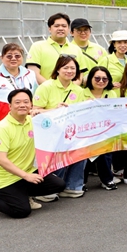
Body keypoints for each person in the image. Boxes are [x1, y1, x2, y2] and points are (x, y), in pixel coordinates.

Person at [0, 89, 66, 219]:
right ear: (9, 106)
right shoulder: (2, 128)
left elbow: (47, 116)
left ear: (31, 105)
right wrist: (26, 176)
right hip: (4, 179)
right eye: (17, 102)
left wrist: (58, 109)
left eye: (26, 102)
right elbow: (0, 160)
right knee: (22, 211)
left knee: (58, 184)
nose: (22, 105)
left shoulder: (31, 121)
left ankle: (23, 195)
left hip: (26, 172)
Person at [0, 44, 38, 193]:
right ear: (2, 58)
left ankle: (21, 193)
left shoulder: (30, 74)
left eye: (17, 56)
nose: (13, 59)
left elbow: (34, 99)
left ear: (22, 57)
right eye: (9, 56)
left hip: (23, 124)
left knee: (24, 158)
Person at [31, 54, 87, 200]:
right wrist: (55, 110)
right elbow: (34, 111)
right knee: (58, 156)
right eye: (65, 67)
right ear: (58, 69)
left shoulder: (78, 90)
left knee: (81, 151)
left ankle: (72, 186)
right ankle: (49, 188)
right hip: (49, 134)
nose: (69, 71)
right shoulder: (46, 87)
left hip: (70, 132)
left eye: (73, 68)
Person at [81, 66, 118, 190]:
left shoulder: (111, 93)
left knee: (105, 153)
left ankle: (107, 179)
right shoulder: (81, 93)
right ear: (90, 78)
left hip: (105, 130)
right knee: (83, 156)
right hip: (85, 131)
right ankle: (81, 181)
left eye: (104, 79)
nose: (101, 81)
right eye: (97, 78)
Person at [26, 13, 81, 84]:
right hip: (45, 92)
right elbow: (34, 73)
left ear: (68, 29)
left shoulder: (76, 49)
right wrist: (52, 89)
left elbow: (80, 74)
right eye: (56, 26)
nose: (60, 28)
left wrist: (69, 89)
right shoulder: (37, 46)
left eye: (64, 26)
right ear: (49, 29)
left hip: (70, 93)